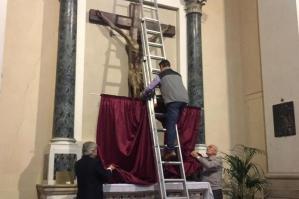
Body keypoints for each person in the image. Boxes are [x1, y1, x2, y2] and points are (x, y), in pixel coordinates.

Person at [142, 59, 189, 160]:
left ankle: (170, 150)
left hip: (173, 101)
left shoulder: (161, 75)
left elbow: (150, 88)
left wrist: (143, 95)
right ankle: (173, 146)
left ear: (161, 66)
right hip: (184, 100)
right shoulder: (178, 74)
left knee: (170, 125)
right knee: (174, 124)